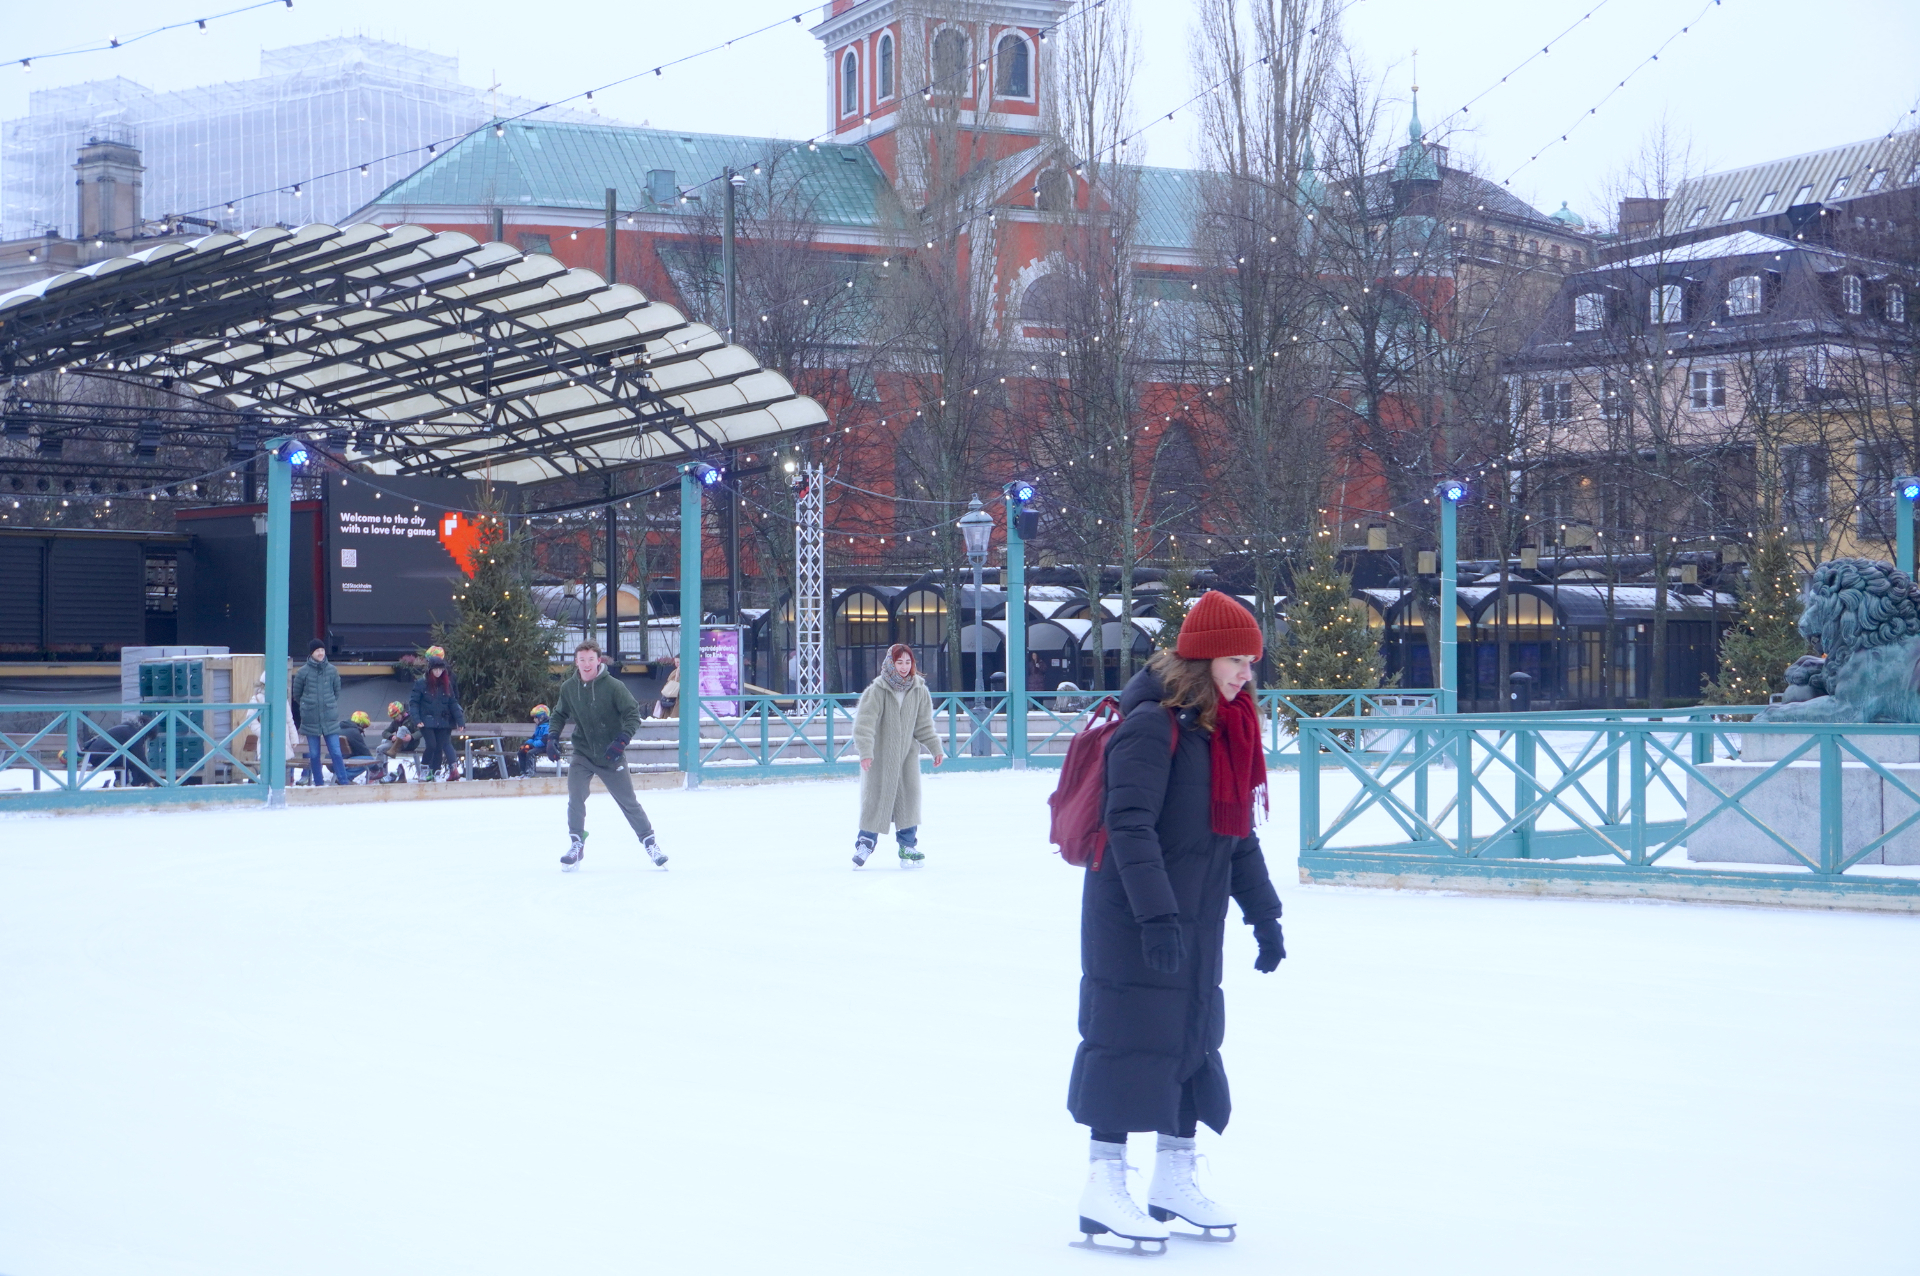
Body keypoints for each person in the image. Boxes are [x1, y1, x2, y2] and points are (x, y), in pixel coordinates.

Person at [1068, 590, 1285, 1253]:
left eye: (1251, 661)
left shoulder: (1223, 730)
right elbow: (1128, 826)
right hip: (1134, 915)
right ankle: (1104, 1184)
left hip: (1196, 916)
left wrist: (1264, 914)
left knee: (1189, 1039)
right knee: (1127, 1041)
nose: (1246, 673)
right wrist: (1158, 917)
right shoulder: (1151, 726)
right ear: (1203, 657)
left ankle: (1173, 1176)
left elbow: (1236, 835)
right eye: (1236, 660)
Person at [547, 640, 666, 871]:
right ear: (576, 662)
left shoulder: (613, 686)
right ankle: (576, 842)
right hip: (583, 753)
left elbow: (632, 714)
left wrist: (621, 741)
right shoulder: (569, 688)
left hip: (611, 754)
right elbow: (559, 714)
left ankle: (650, 842)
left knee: (628, 801)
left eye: (591, 659)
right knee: (576, 795)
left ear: (598, 661)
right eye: (582, 660)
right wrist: (552, 737)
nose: (586, 664)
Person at [850, 643, 944, 867]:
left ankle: (907, 845)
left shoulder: (919, 690)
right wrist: (866, 752)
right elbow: (864, 725)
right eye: (899, 662)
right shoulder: (877, 690)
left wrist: (935, 747)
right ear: (889, 663)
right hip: (880, 758)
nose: (903, 667)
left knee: (908, 800)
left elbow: (923, 726)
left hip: (906, 758)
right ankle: (865, 844)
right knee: (875, 799)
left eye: (907, 662)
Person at [291, 639, 349, 786]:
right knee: (314, 754)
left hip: (329, 718)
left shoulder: (332, 670)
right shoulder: (303, 672)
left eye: (322, 650)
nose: (321, 653)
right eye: (318, 650)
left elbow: (337, 691)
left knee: (336, 752)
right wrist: (308, 705)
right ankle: (319, 784)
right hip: (311, 719)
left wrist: (328, 704)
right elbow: (297, 694)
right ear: (312, 653)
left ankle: (344, 781)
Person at [408, 645, 465, 782]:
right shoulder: (422, 683)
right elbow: (414, 703)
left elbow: (452, 702)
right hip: (426, 720)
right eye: (436, 669)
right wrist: (417, 719)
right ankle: (424, 768)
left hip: (443, 720)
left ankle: (436, 772)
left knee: (439, 746)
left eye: (440, 669)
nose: (438, 672)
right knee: (431, 745)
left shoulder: (446, 684)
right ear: (430, 669)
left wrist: (460, 721)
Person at [374, 700, 420, 783]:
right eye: (394, 717)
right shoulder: (395, 722)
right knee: (379, 748)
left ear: (401, 712)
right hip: (397, 744)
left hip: (410, 743)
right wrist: (391, 736)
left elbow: (420, 732)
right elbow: (385, 732)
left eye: (397, 716)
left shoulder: (412, 719)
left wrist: (411, 737)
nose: (396, 718)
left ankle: (393, 750)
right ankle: (379, 771)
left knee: (402, 728)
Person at [512, 704, 552, 777]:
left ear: (542, 717)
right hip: (537, 745)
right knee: (522, 752)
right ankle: (523, 772)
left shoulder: (547, 727)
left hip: (545, 746)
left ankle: (530, 772)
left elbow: (544, 741)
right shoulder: (539, 727)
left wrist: (532, 745)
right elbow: (533, 737)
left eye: (536, 717)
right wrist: (527, 743)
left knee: (530, 753)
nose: (534, 720)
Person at [338, 710, 375, 781]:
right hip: (341, 762)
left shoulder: (340, 728)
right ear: (361, 723)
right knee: (370, 760)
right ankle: (344, 778)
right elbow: (364, 752)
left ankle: (343, 777)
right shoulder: (354, 732)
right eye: (364, 726)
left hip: (331, 762)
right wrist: (376, 767)